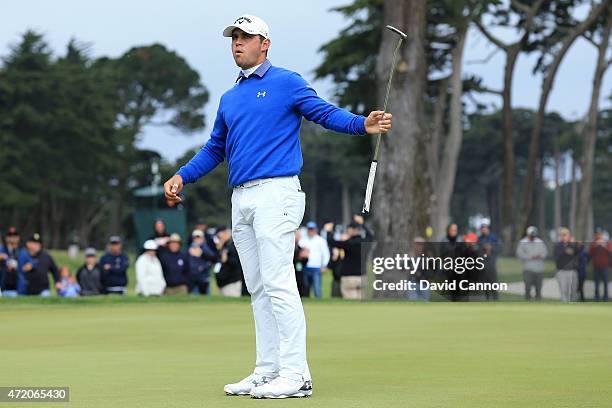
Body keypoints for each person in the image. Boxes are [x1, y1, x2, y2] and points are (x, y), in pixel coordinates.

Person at [163, 13, 392, 398]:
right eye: (233, 37)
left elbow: (323, 112)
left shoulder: (287, 82)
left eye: (245, 37)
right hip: (242, 198)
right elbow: (216, 148)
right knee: (257, 287)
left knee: (278, 282)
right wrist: (183, 175)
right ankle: (268, 370)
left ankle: (296, 373)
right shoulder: (230, 97)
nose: (237, 43)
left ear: (264, 43)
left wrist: (360, 124)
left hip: (277, 193)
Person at [323, 215, 373, 299]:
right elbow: (370, 236)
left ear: (351, 230)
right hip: (362, 276)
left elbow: (331, 241)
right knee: (361, 301)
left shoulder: (349, 243)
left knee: (351, 302)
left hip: (349, 277)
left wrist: (328, 231)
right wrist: (363, 224)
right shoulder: (365, 242)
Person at [299, 222, 330, 299]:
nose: (310, 231)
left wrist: (324, 265)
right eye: (309, 229)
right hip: (305, 267)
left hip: (316, 267)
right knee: (305, 288)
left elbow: (326, 254)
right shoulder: (303, 240)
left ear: (315, 230)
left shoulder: (321, 240)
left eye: (312, 229)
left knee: (317, 289)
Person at [516, 226, 548, 300]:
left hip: (539, 270)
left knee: (538, 290)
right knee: (527, 289)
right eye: (531, 236)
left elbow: (545, 253)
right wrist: (530, 257)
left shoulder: (540, 242)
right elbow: (519, 254)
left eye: (533, 236)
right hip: (528, 269)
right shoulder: (523, 242)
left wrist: (540, 256)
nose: (532, 237)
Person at [214, 226, 244, 297]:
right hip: (223, 282)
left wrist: (227, 259)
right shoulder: (223, 246)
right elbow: (217, 261)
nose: (219, 238)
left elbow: (237, 263)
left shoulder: (233, 245)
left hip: (231, 283)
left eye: (221, 235)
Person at [553, 228, 580, 302]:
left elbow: (577, 253)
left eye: (565, 235)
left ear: (569, 236)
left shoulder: (573, 245)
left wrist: (574, 244)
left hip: (572, 271)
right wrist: (566, 249)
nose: (563, 237)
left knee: (573, 292)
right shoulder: (558, 245)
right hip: (562, 271)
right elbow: (557, 256)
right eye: (562, 235)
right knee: (563, 291)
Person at [188, 229, 218, 295]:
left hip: (204, 278)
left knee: (207, 299)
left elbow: (213, 259)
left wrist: (202, 267)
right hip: (194, 279)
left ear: (203, 238)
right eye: (196, 238)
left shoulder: (205, 248)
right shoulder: (190, 248)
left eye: (199, 238)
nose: (197, 239)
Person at [477, 222, 500, 300]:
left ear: (488, 229)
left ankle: (495, 298)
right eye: (482, 229)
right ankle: (487, 299)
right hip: (483, 263)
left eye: (485, 229)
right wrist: (484, 251)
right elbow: (478, 251)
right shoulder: (480, 239)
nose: (484, 230)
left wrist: (491, 249)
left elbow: (498, 248)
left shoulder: (493, 238)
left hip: (491, 263)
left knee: (493, 282)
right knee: (485, 283)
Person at [589, 227, 611, 301]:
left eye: (600, 234)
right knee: (596, 283)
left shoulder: (607, 242)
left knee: (605, 283)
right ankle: (597, 297)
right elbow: (590, 253)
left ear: (602, 234)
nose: (598, 235)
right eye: (597, 234)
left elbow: (610, 251)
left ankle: (606, 297)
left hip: (605, 267)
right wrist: (596, 246)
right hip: (596, 267)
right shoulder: (593, 243)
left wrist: (604, 245)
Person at [0, 227, 23, 297]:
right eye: (10, 236)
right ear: (6, 238)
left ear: (18, 238)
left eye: (14, 236)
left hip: (18, 288)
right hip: (2, 287)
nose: (12, 238)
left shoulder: (22, 251)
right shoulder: (1, 249)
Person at [293, 229, 309, 297]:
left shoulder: (299, 248)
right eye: (297, 235)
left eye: (299, 235)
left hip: (299, 272)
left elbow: (304, 263)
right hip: (292, 272)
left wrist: (305, 257)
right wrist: (299, 256)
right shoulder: (290, 247)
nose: (299, 237)